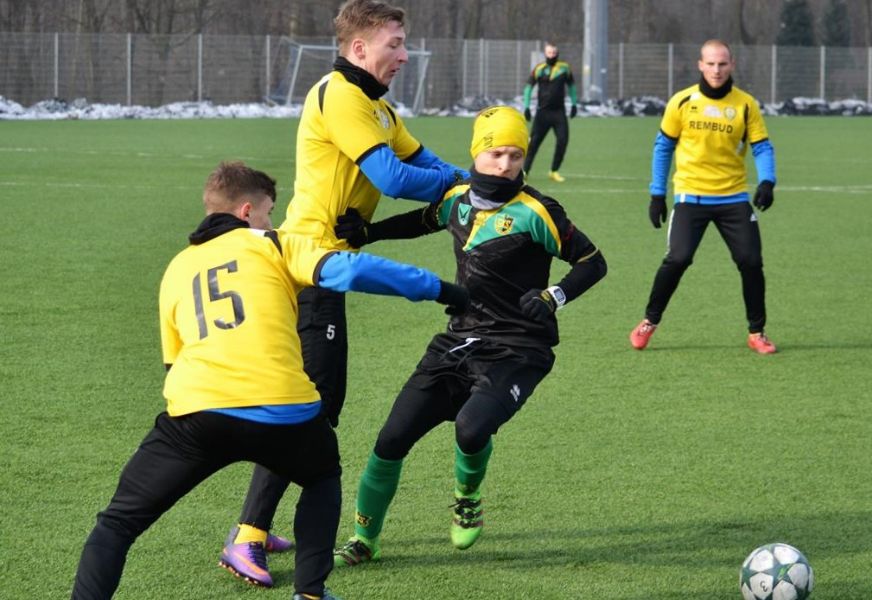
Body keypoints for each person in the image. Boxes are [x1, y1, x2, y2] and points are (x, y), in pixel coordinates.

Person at [70, 162, 468, 600]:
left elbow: (173, 363)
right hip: (284, 411)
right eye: (268, 212)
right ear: (247, 211)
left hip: (198, 414)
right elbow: (352, 270)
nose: (271, 221)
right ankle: (310, 592)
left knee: (116, 524)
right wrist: (442, 290)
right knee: (321, 476)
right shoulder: (275, 244)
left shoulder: (177, 268)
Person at [220, 0, 469, 584]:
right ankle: (248, 533)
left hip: (327, 262)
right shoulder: (340, 96)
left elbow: (425, 161)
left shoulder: (379, 108)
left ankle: (255, 525)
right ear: (359, 48)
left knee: (316, 402)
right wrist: (461, 181)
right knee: (311, 402)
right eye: (394, 44)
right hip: (309, 263)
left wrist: (469, 178)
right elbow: (395, 178)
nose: (404, 55)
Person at [326, 106, 606, 566]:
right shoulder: (457, 199)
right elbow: (422, 221)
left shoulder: (538, 210)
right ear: (476, 153)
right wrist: (369, 233)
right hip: (459, 340)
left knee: (471, 428)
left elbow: (593, 261)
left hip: (520, 347)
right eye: (496, 153)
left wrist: (554, 295)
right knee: (391, 439)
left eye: (516, 155)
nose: (506, 164)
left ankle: (467, 497)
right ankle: (363, 540)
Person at [629, 39, 778, 355]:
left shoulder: (745, 105)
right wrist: (657, 194)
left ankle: (757, 332)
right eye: (710, 63)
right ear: (700, 65)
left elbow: (761, 146)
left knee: (751, 261)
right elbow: (663, 147)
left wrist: (767, 180)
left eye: (722, 63)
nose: (716, 70)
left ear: (732, 65)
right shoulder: (682, 101)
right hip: (691, 197)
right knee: (678, 258)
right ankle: (649, 321)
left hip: (733, 197)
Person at [522, 42, 578, 183]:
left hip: (559, 113)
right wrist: (526, 107)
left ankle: (554, 171)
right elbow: (528, 88)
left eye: (554, 53)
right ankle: (524, 172)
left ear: (557, 53)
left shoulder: (564, 68)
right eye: (549, 53)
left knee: (563, 140)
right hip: (542, 113)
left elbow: (572, 86)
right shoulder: (539, 68)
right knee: (533, 144)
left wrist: (574, 104)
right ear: (545, 53)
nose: (552, 55)